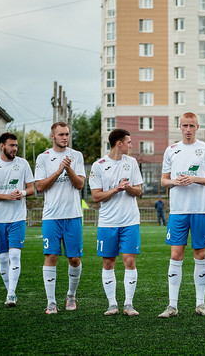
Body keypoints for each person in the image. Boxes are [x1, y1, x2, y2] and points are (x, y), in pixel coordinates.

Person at [158, 112, 205, 318]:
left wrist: (194, 179)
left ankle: (200, 303)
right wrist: (176, 182)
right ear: (180, 126)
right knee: (176, 255)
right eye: (184, 125)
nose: (188, 129)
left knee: (200, 254)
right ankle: (172, 305)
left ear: (197, 127)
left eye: (191, 126)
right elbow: (164, 181)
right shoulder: (171, 150)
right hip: (178, 211)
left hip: (200, 210)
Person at [89, 128, 143, 316]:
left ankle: (128, 304)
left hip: (130, 221)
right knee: (108, 263)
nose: (131, 145)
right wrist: (116, 189)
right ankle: (112, 304)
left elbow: (139, 191)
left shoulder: (132, 162)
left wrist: (128, 188)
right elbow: (96, 197)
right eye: (128, 142)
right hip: (107, 222)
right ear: (118, 143)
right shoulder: (99, 165)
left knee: (129, 261)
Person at [35, 122, 86, 314]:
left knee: (73, 259)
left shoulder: (77, 155)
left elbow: (80, 184)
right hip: (51, 217)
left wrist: (68, 169)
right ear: (52, 136)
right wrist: (58, 170)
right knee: (51, 256)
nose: (65, 137)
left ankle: (71, 296)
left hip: (73, 215)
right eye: (61, 134)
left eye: (67, 134)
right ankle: (51, 302)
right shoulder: (43, 158)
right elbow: (40, 186)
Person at [0, 132, 34, 307]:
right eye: (11, 145)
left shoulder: (23, 164)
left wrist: (23, 193)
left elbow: (32, 188)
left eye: (16, 145)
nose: (15, 149)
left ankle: (11, 294)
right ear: (2, 146)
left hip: (17, 218)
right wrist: (7, 197)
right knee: (2, 259)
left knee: (15, 255)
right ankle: (10, 291)